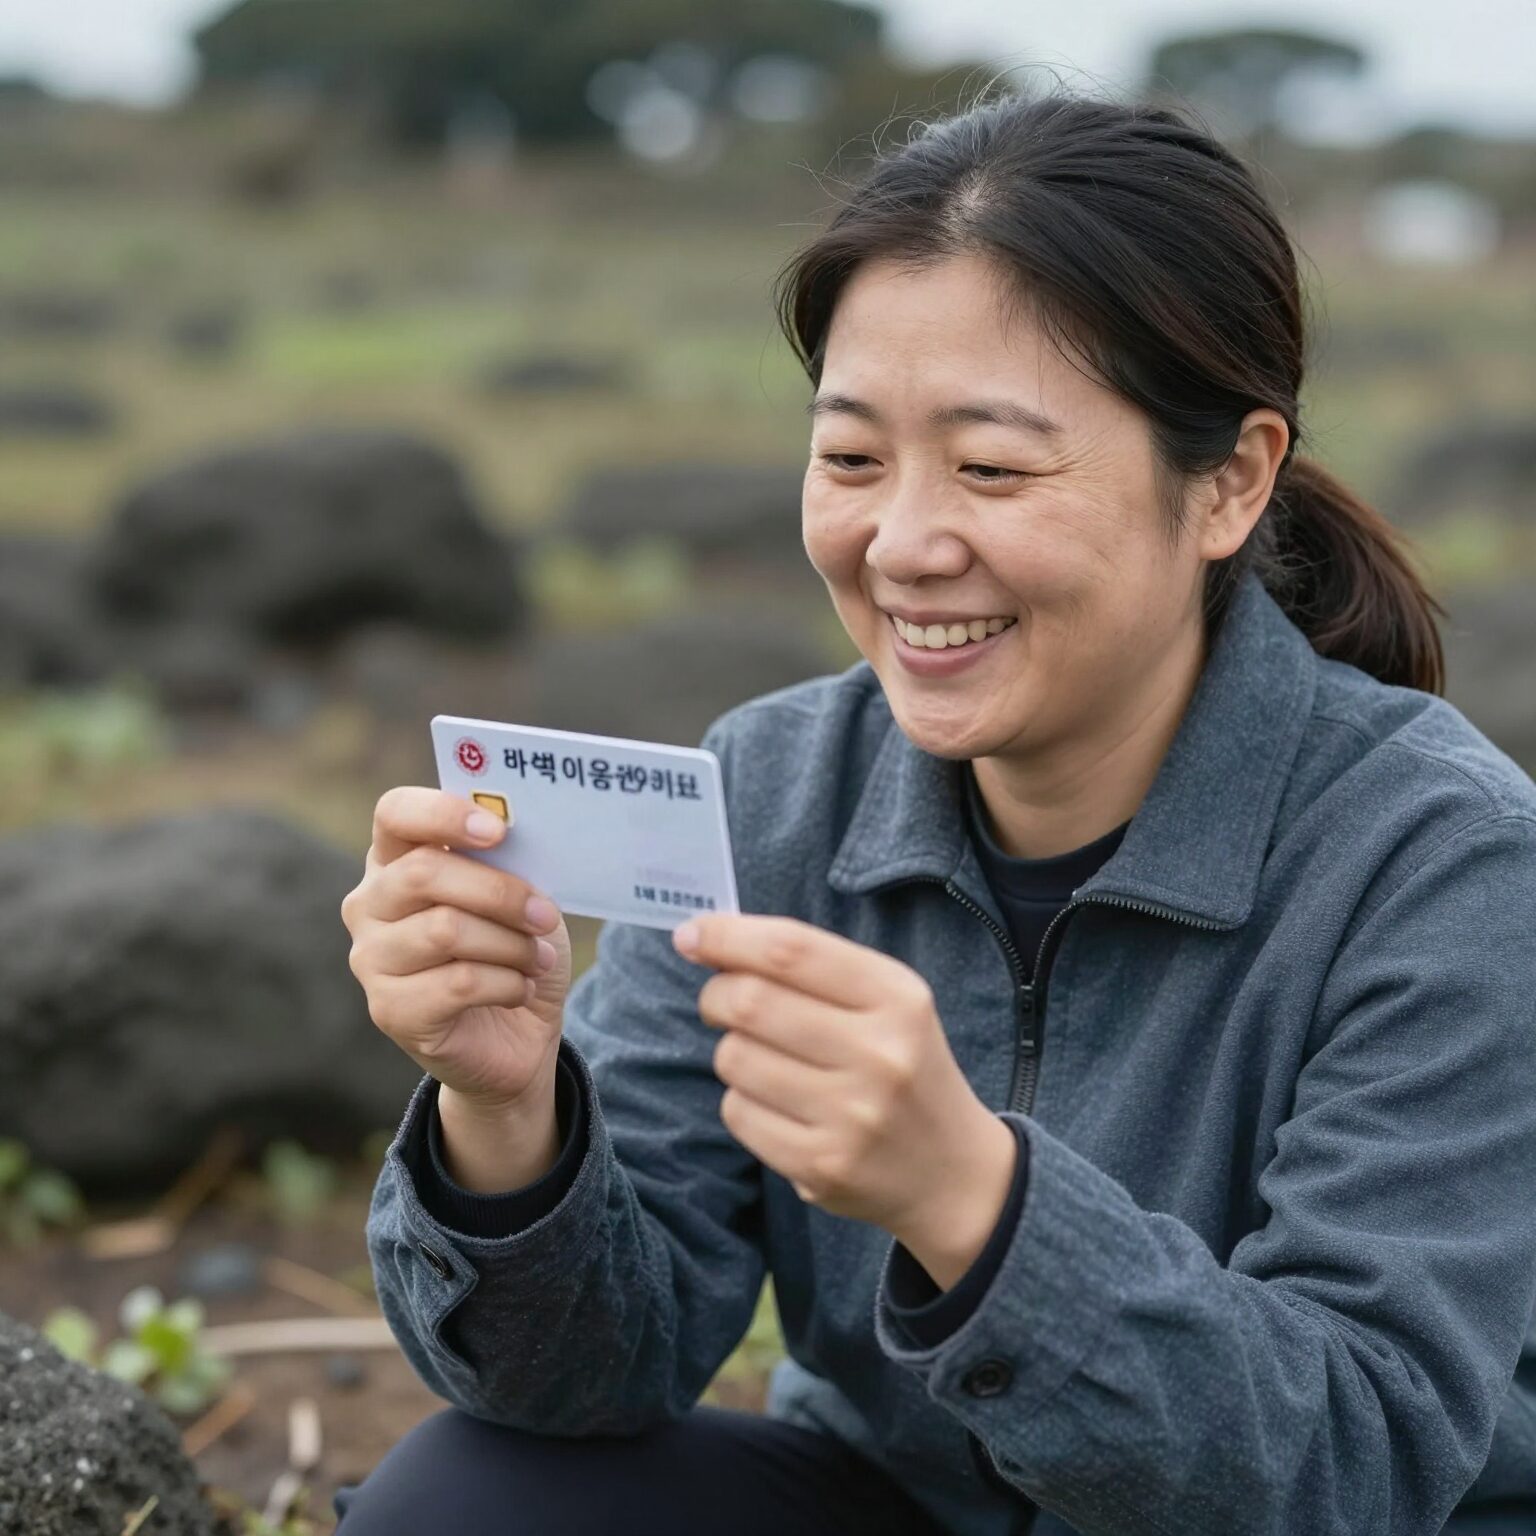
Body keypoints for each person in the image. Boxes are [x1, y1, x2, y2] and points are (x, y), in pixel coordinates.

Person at [333, 84, 1536, 1536]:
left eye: (992, 468)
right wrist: (505, 1114)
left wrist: (974, 1202)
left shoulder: (1445, 864)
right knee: (461, 1499)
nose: (902, 544)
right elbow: (590, 1378)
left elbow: (1356, 1459)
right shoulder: (773, 792)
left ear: (1229, 482)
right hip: (898, 1501)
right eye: (851, 458)